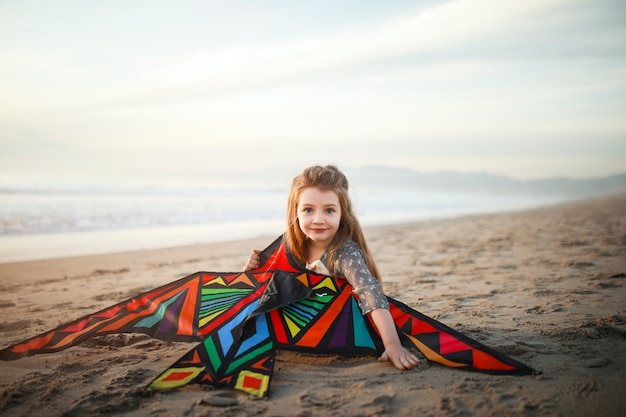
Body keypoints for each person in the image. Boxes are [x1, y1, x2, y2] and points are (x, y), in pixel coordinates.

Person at [244, 165, 420, 371]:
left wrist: (392, 345)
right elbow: (265, 289)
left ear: (342, 214)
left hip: (338, 329)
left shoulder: (344, 254)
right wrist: (249, 272)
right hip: (299, 325)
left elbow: (371, 296)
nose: (318, 219)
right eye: (308, 210)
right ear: (296, 212)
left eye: (329, 210)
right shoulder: (292, 246)